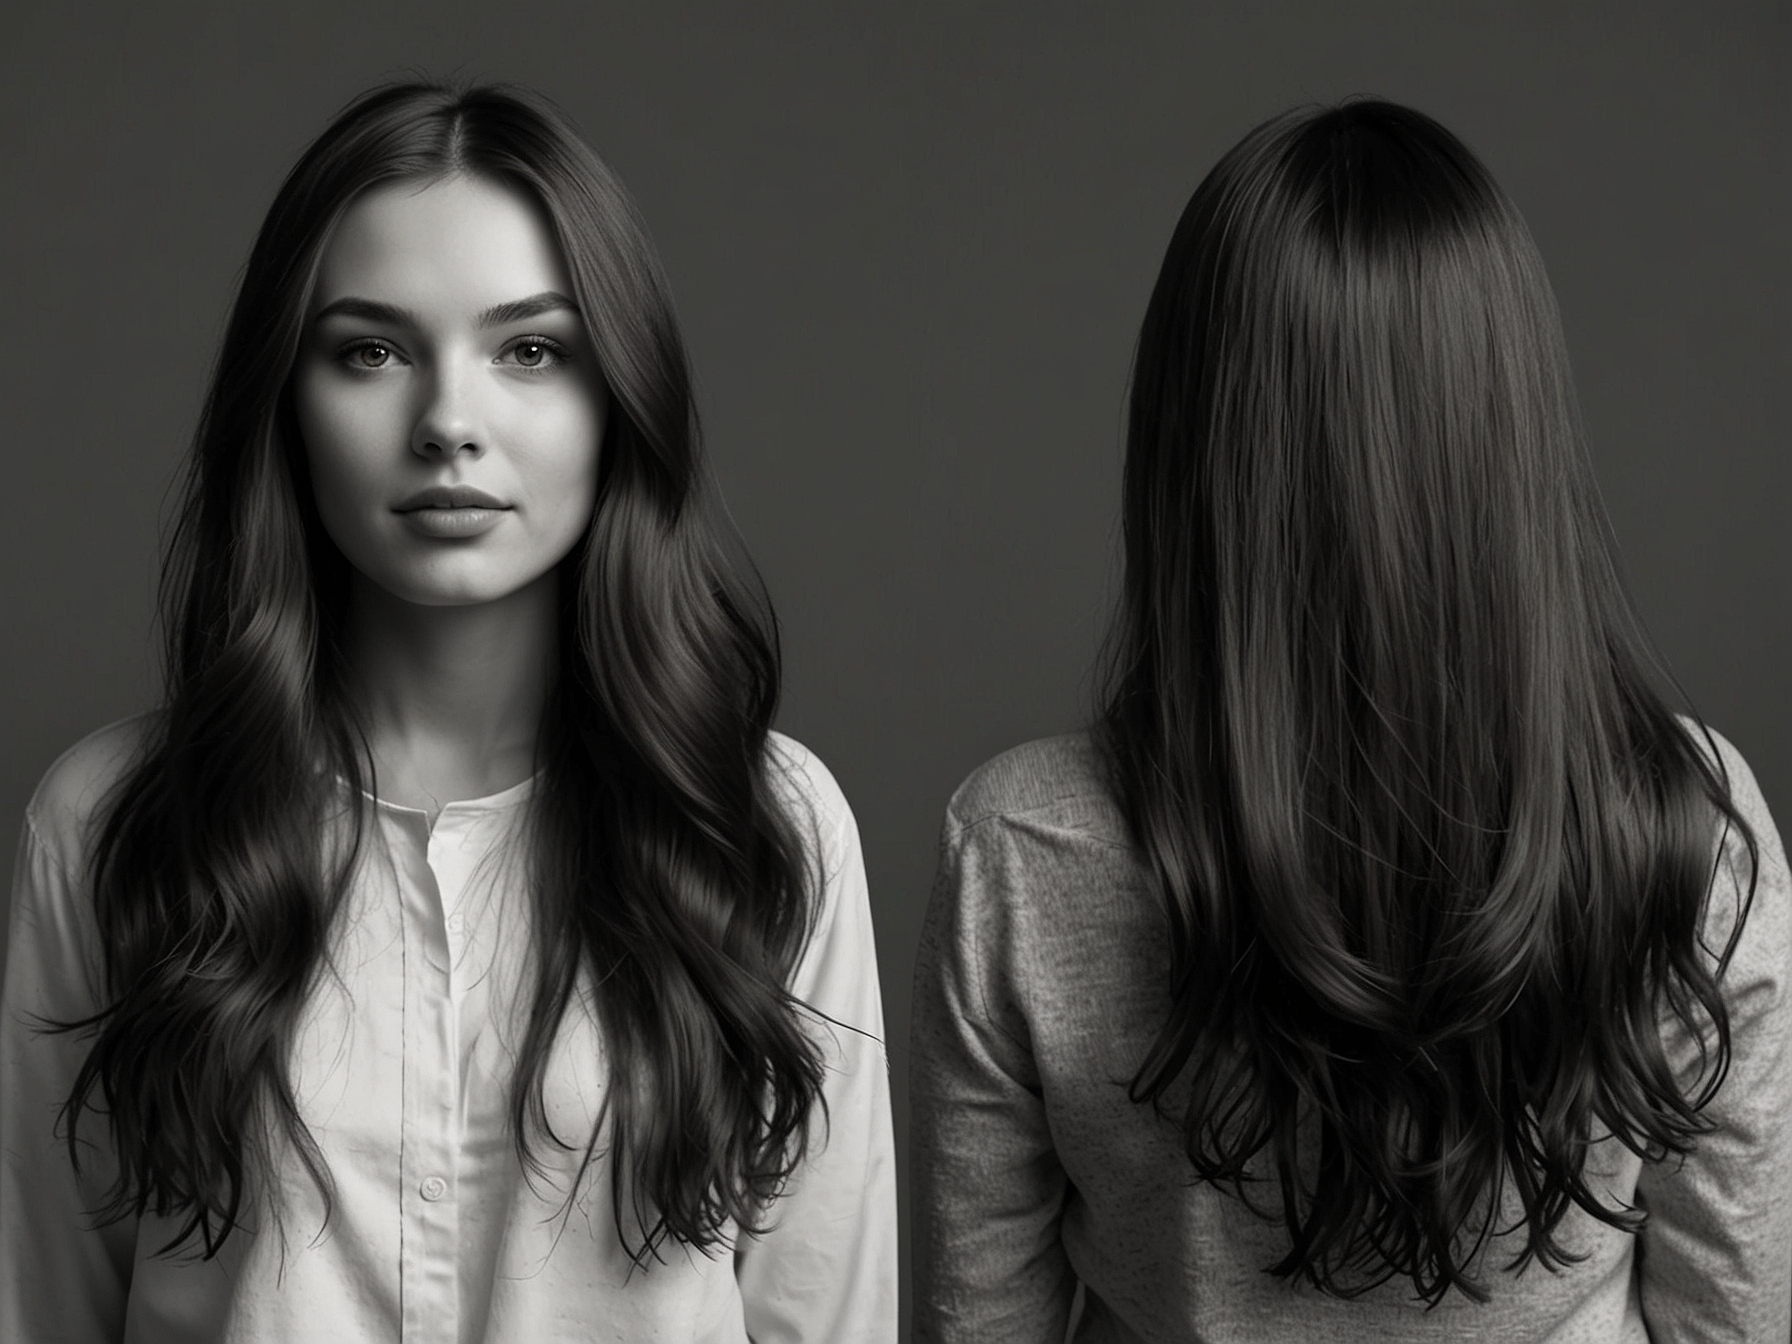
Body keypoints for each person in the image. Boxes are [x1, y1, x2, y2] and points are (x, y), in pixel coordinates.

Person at [1, 81, 896, 1343]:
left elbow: (826, 1313)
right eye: (370, 350)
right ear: (286, 398)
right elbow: (42, 1304)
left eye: (530, 350)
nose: (448, 425)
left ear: (617, 394)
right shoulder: (108, 823)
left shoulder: (764, 822)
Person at [911, 100, 1790, 1342]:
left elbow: (978, 1325)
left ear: (1184, 441)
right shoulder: (1683, 820)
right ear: (1512, 431)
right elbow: (1734, 1317)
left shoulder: (1021, 846)